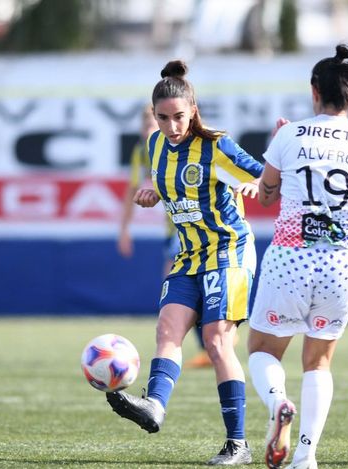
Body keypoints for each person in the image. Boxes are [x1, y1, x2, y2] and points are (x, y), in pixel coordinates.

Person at [247, 44, 348, 469]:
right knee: (319, 360)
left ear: (315, 91)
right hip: (343, 261)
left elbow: (264, 197)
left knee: (262, 348)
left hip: (291, 256)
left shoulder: (289, 134)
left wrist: (280, 151)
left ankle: (279, 403)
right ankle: (307, 455)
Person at [106, 59, 265, 466]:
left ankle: (238, 444)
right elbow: (170, 184)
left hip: (228, 251)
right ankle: (154, 407)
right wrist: (152, 195)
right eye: (163, 118)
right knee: (167, 329)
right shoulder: (156, 146)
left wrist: (256, 183)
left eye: (179, 117)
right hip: (189, 254)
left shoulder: (216, 144)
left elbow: (266, 177)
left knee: (216, 340)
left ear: (193, 110)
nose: (172, 126)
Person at [118, 104, 213, 370]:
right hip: (173, 227)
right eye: (147, 124)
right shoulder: (143, 152)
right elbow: (132, 190)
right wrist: (124, 229)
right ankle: (212, 338)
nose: (151, 130)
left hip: (194, 224)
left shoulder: (187, 143)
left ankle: (212, 337)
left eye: (153, 124)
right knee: (182, 284)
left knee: (175, 282)